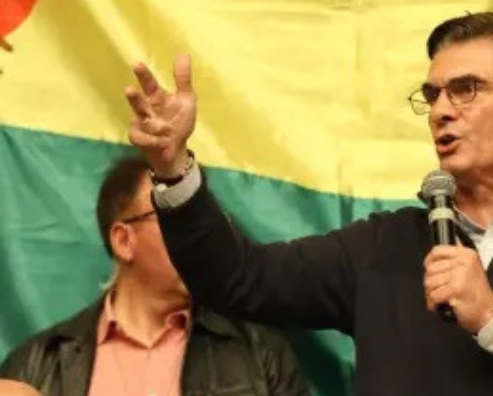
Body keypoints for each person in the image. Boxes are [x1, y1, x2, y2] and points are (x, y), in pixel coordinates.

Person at [123, 12, 493, 396]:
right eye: (433, 95)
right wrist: (172, 168)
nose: (441, 111)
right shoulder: (384, 246)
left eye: (466, 89)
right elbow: (240, 279)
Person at [0, 156, 309, 396]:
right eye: (175, 218)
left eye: (202, 221)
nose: (199, 237)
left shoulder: (261, 353)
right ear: (124, 240)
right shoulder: (34, 365)